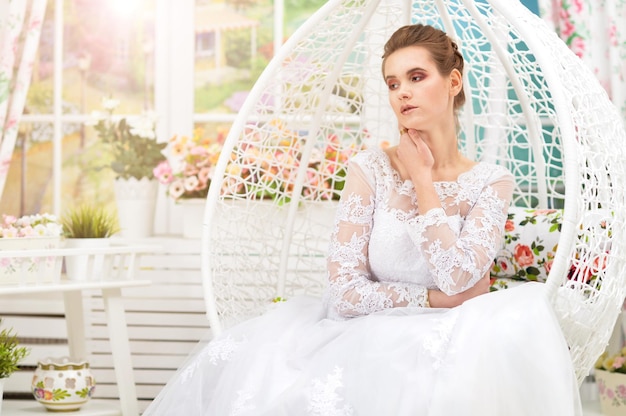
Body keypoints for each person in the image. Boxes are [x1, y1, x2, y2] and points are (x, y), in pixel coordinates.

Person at [144, 24, 582, 415]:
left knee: (515, 329)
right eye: (393, 83)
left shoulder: (491, 182)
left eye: (416, 77)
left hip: (455, 346)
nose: (402, 93)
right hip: (362, 343)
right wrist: (431, 300)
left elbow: (461, 276)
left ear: (453, 81)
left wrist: (423, 181)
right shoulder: (368, 170)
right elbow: (347, 292)